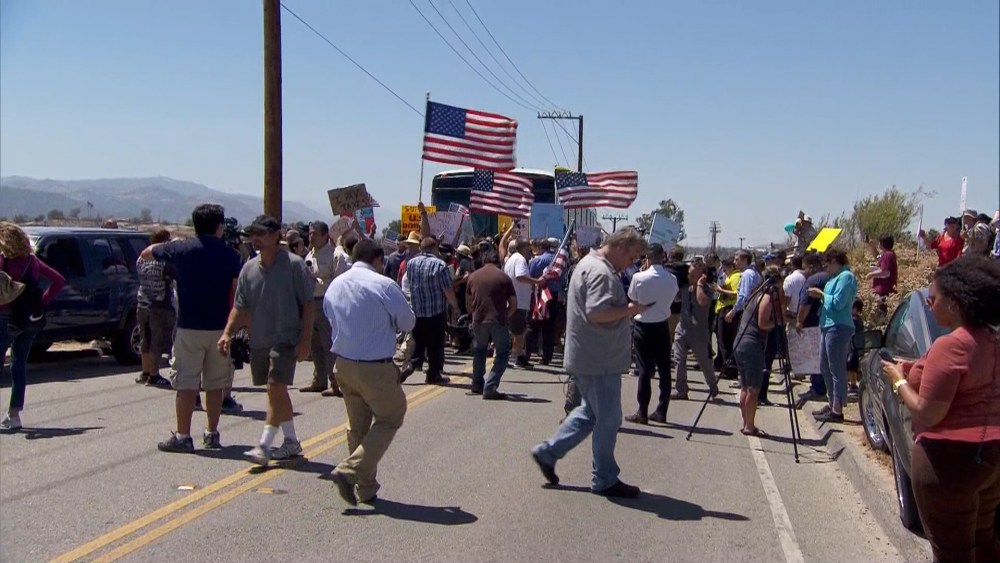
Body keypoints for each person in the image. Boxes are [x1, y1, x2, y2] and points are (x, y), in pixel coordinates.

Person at [880, 257, 1000, 562]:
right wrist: (916, 370)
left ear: (955, 304)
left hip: (946, 462)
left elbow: (927, 412)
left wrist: (897, 380)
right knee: (984, 540)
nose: (929, 303)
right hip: (991, 456)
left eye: (933, 299)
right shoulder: (992, 340)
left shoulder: (951, 345)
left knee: (952, 553)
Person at [531, 229, 648, 498]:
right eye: (631, 257)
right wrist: (631, 310)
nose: (630, 263)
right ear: (620, 247)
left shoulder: (590, 264)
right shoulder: (601, 272)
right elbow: (597, 313)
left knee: (589, 414)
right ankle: (604, 478)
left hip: (590, 356)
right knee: (609, 419)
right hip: (598, 359)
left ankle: (548, 453)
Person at [323, 239, 416, 506]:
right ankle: (349, 471)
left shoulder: (336, 284)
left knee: (358, 426)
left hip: (344, 363)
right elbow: (408, 322)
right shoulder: (383, 284)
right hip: (374, 365)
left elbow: (330, 316)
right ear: (377, 260)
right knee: (391, 416)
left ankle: (365, 488)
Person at [145, 204, 242, 452]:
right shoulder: (231, 255)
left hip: (189, 325)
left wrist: (173, 244)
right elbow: (236, 289)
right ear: (219, 226)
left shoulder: (181, 249)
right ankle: (212, 433)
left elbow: (146, 254)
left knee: (186, 383)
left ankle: (183, 436)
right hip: (220, 327)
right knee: (215, 384)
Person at [219, 215, 315, 465]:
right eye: (253, 234)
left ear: (276, 236)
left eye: (261, 234)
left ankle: (264, 445)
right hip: (259, 339)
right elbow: (240, 306)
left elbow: (308, 304)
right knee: (275, 391)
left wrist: (305, 341)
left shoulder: (294, 265)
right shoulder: (249, 268)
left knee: (275, 387)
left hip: (286, 338)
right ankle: (291, 441)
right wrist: (228, 332)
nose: (256, 239)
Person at [0, 222, 66, 432]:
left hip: (6, 316)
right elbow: (59, 280)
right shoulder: (32, 261)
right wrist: (42, 301)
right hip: (30, 318)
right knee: (19, 365)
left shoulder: (3, 260)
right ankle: (14, 414)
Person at [623, 243, 678, 424]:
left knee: (645, 369)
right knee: (664, 369)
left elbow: (633, 297)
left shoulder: (639, 277)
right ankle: (662, 410)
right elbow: (673, 297)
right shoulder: (671, 279)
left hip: (643, 325)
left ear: (647, 258)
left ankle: (642, 411)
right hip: (661, 324)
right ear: (663, 257)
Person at [808, 248, 858, 423]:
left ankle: (837, 408)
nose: (826, 268)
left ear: (835, 262)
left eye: (827, 264)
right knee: (824, 366)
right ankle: (832, 403)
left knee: (836, 368)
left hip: (838, 326)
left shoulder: (846, 277)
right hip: (827, 324)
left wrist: (821, 295)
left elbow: (838, 303)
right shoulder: (834, 278)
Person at [399, 237, 457, 385]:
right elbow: (447, 289)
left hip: (418, 311)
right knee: (435, 345)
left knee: (419, 343)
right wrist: (454, 306)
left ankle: (410, 365)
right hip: (436, 312)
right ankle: (433, 374)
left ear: (421, 248)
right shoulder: (439, 265)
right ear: (435, 248)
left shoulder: (411, 264)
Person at [734, 265, 781, 436]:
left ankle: (746, 423)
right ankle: (749, 426)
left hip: (741, 343)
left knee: (745, 387)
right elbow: (763, 324)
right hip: (752, 345)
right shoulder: (766, 298)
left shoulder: (755, 294)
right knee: (753, 389)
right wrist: (777, 323)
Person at [465, 248, 516, 399]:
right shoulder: (504, 278)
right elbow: (513, 304)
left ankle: (477, 384)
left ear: (483, 261)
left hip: (479, 319)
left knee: (479, 351)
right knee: (502, 353)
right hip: (498, 320)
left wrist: (473, 315)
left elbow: (468, 304)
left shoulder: (473, 277)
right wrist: (505, 315)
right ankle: (491, 386)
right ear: (497, 262)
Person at [300, 221, 342, 396]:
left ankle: (336, 382)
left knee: (328, 343)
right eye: (310, 233)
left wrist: (319, 281)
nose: (311, 236)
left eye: (315, 233)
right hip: (310, 302)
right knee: (314, 343)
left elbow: (339, 281)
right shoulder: (309, 255)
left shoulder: (333, 255)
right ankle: (319, 380)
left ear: (325, 236)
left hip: (326, 302)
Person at [670, 258, 720, 402]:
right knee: (679, 359)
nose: (689, 277)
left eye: (693, 275)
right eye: (689, 274)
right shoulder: (685, 287)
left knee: (705, 362)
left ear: (702, 276)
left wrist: (699, 285)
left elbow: (702, 302)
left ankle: (712, 387)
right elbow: (676, 299)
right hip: (683, 328)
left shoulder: (707, 289)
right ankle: (681, 389)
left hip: (699, 332)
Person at [135, 228, 176, 388]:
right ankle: (154, 375)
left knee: (145, 339)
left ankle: (145, 372)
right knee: (156, 341)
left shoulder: (141, 258)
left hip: (142, 301)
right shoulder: (163, 260)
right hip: (159, 304)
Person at [796, 252, 830, 401]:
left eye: (805, 268)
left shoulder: (813, 280)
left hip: (812, 323)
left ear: (811, 266)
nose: (804, 271)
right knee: (823, 358)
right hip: (827, 323)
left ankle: (817, 389)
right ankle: (821, 387)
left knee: (814, 359)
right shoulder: (830, 277)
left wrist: (799, 321)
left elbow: (805, 304)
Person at [525, 239, 563, 366]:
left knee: (533, 325)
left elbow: (531, 275)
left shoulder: (537, 261)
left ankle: (526, 354)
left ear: (540, 247)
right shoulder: (558, 262)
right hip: (554, 295)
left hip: (540, 294)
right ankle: (547, 357)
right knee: (549, 327)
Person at [504, 239, 541, 368]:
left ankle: (517, 356)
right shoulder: (520, 260)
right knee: (519, 333)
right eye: (528, 248)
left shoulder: (511, 259)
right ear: (524, 248)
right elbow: (520, 276)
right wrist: (536, 281)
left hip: (514, 300)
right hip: (518, 302)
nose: (530, 250)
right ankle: (515, 358)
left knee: (516, 331)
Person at [713, 257, 741, 377]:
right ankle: (726, 365)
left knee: (725, 340)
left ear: (731, 267)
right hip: (724, 308)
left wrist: (720, 290)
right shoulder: (730, 277)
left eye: (725, 269)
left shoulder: (735, 277)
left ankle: (730, 368)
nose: (724, 272)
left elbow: (736, 294)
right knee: (723, 340)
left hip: (728, 309)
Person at [866, 235, 897, 322]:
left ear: (882, 244)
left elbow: (885, 272)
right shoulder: (886, 254)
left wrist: (871, 274)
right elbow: (877, 257)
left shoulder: (888, 255)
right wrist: (872, 247)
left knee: (881, 313)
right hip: (882, 289)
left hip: (884, 290)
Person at [846, 298, 865, 396]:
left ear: (856, 309)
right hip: (854, 347)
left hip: (852, 347)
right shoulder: (858, 320)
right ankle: (851, 384)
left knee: (851, 366)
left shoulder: (854, 320)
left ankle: (852, 384)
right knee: (851, 366)